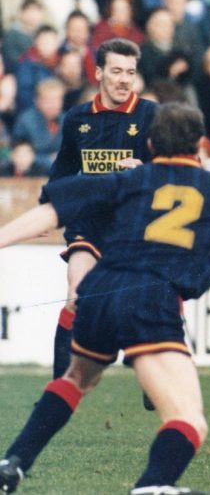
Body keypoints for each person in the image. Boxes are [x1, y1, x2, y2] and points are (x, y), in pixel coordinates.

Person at [0, 102, 210, 495]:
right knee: (189, 420)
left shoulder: (131, 179)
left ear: (151, 143)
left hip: (99, 290)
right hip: (151, 299)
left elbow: (52, 211)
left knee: (77, 376)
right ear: (199, 145)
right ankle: (153, 485)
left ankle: (12, 463)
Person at [43, 38, 157, 381]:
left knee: (145, 308)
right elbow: (63, 170)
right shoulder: (77, 118)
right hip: (90, 223)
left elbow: (178, 167)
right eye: (117, 71)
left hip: (135, 225)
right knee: (76, 296)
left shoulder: (152, 115)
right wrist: (46, 208)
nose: (124, 79)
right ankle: (58, 389)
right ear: (99, 73)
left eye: (131, 73)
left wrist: (144, 168)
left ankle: (153, 372)